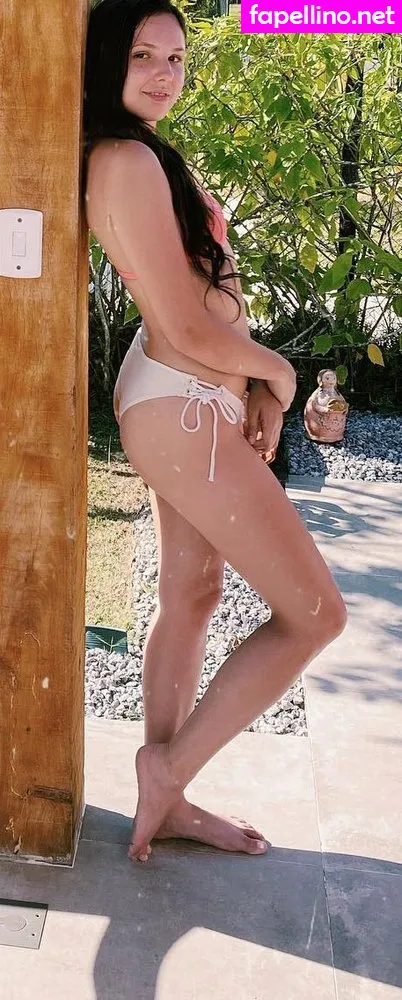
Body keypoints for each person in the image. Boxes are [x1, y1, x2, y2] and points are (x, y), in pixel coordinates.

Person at [83, 0, 347, 864]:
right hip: (182, 403)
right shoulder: (125, 159)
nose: (164, 74)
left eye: (176, 58)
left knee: (193, 597)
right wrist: (277, 371)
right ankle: (168, 769)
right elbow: (185, 324)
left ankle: (168, 799)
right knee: (315, 614)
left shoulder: (141, 149)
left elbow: (197, 308)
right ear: (104, 62)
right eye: (142, 55)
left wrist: (250, 382)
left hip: (192, 397)